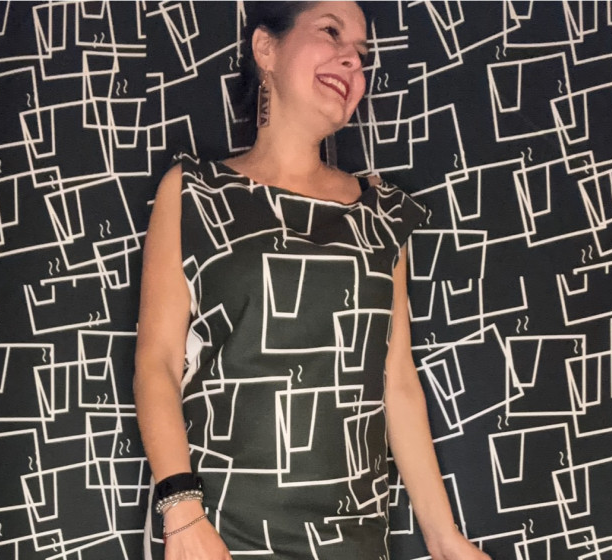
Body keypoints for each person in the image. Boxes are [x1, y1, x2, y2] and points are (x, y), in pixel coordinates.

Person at [134, 2, 493, 559]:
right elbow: (157, 363)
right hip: (220, 532)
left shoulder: (382, 211)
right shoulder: (193, 192)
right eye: (330, 32)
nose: (352, 61)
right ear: (266, 48)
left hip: (352, 539)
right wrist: (182, 514)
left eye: (363, 55)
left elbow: (396, 381)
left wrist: (443, 536)